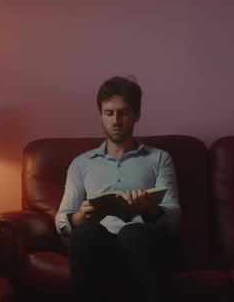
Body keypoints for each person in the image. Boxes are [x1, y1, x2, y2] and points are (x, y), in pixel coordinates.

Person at [55, 76, 181, 302]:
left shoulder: (159, 158)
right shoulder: (82, 163)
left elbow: (174, 216)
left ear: (137, 115)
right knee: (86, 233)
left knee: (132, 232)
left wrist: (151, 210)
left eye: (123, 113)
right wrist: (79, 218)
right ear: (100, 115)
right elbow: (62, 219)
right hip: (98, 247)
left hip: (144, 244)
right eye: (109, 112)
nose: (116, 120)